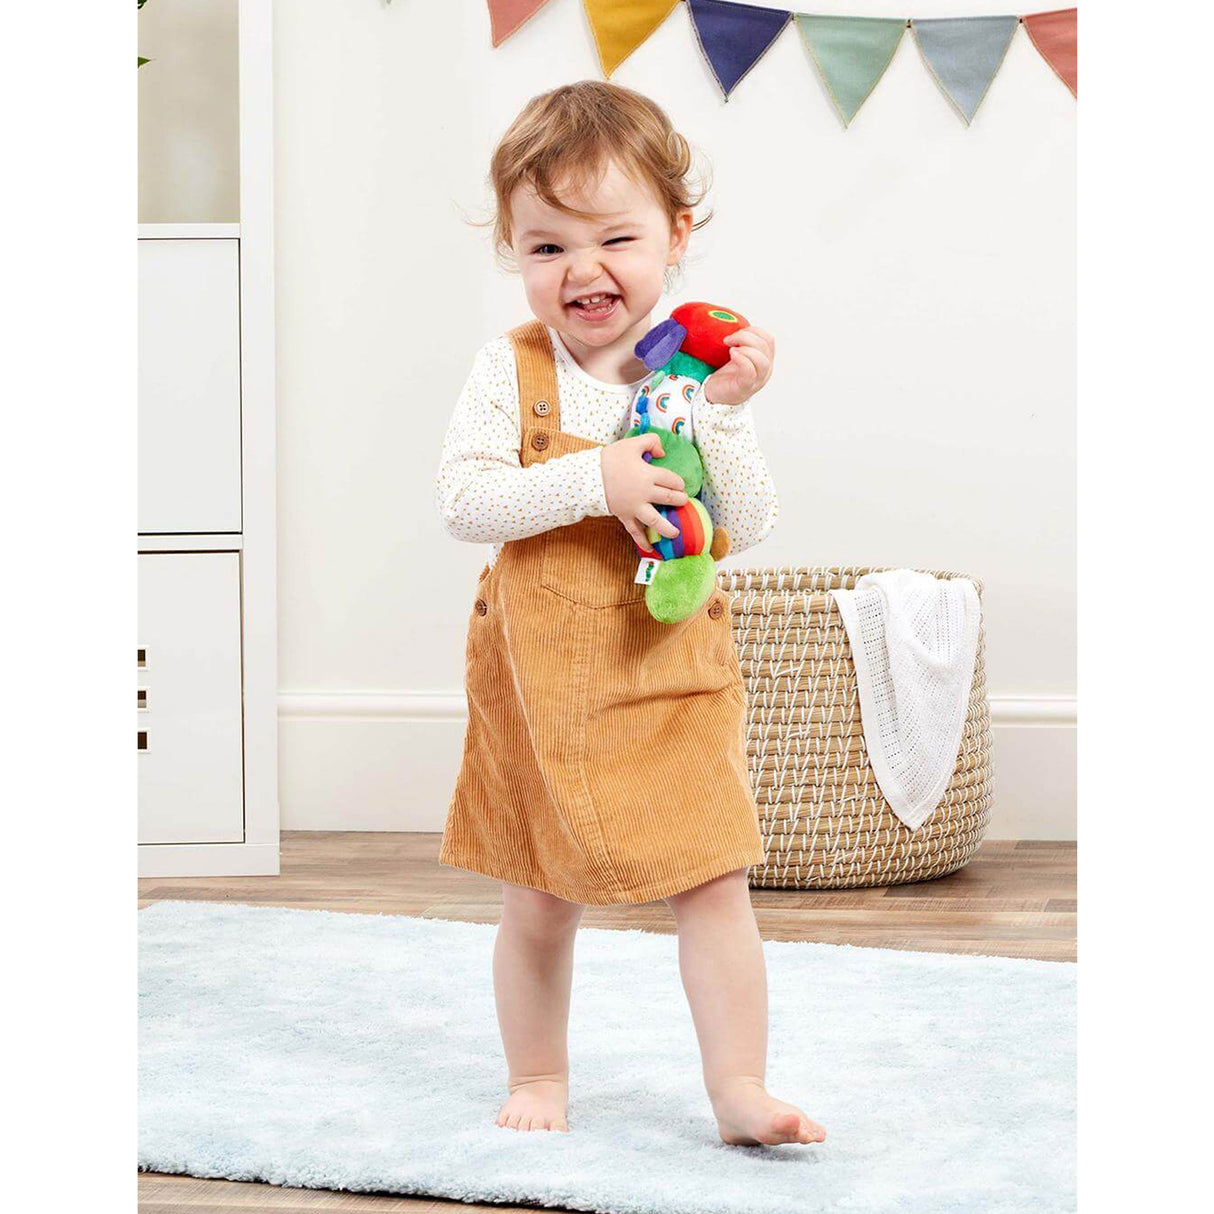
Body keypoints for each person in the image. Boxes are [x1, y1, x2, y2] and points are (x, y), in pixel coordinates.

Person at [435, 81, 824, 1148]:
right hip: (544, 690)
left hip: (669, 678)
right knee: (538, 897)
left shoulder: (696, 376)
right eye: (546, 246)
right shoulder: (507, 372)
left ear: (674, 235)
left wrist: (729, 419)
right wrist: (589, 477)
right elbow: (466, 501)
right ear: (514, 249)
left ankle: (738, 1086)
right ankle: (539, 1067)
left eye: (615, 237)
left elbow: (742, 521)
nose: (582, 270)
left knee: (713, 885)